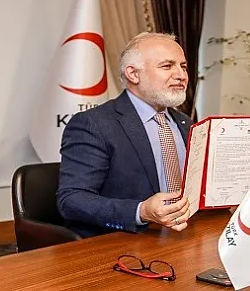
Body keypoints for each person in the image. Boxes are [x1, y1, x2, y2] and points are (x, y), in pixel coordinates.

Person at [56, 32, 193, 238]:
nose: (181, 75)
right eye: (167, 66)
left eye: (183, 67)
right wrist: (141, 211)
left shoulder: (186, 123)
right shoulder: (94, 124)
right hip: (124, 240)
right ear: (133, 74)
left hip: (183, 235)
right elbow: (72, 200)